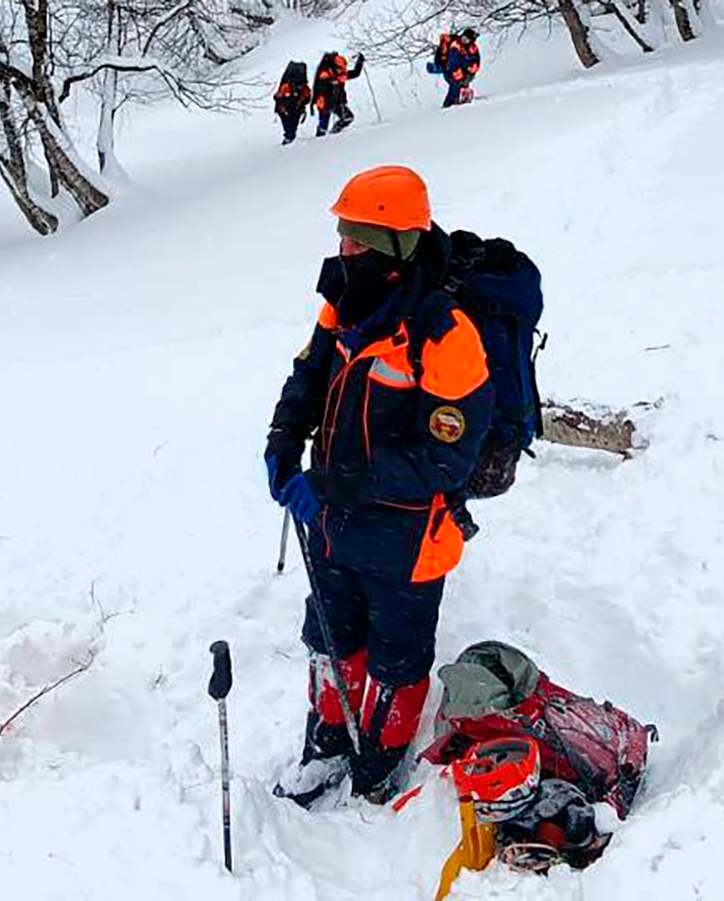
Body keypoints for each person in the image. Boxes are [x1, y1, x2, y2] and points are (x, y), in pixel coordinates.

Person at [265, 166, 494, 804]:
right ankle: (328, 740)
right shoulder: (344, 299)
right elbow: (309, 376)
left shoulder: (446, 336)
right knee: (330, 637)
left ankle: (381, 756)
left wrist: (342, 481)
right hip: (334, 523)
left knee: (397, 656)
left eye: (358, 240)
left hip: (408, 537)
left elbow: (450, 459)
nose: (344, 250)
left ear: (394, 247)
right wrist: (283, 442)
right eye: (343, 236)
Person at [313, 51, 365, 137]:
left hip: (337, 102)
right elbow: (322, 88)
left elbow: (355, 73)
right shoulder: (325, 74)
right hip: (325, 104)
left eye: (343, 69)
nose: (342, 71)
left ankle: (333, 135)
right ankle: (318, 143)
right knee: (323, 129)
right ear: (335, 67)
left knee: (348, 118)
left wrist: (360, 62)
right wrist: (335, 81)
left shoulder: (340, 73)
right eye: (340, 69)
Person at [274, 61, 312, 145]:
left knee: (292, 129)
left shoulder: (305, 88)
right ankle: (287, 144)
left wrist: (303, 101)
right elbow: (277, 97)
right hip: (285, 111)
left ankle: (288, 145)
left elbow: (308, 99)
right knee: (289, 130)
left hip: (296, 110)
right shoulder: (286, 87)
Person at [442, 28, 481, 108]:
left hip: (465, 71)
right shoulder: (456, 45)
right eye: (463, 38)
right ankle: (448, 104)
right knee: (455, 84)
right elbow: (453, 62)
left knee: (464, 82)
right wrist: (465, 65)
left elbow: (476, 60)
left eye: (467, 39)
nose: (464, 40)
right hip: (450, 71)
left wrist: (473, 68)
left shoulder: (473, 48)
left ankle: (463, 97)